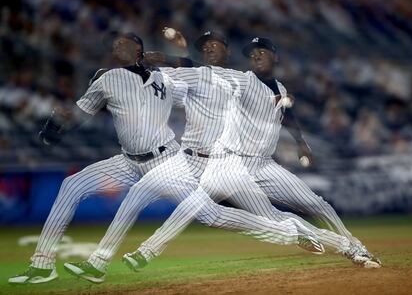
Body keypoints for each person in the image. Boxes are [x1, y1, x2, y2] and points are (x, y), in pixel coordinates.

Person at [62, 31, 325, 283]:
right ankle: (100, 262)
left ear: (228, 51)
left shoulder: (243, 79)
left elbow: (277, 101)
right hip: (189, 159)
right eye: (204, 45)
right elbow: (154, 77)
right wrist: (120, 73)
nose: (209, 47)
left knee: (227, 215)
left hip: (224, 162)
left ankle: (288, 231)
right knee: (140, 193)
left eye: (215, 44)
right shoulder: (194, 75)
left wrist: (293, 124)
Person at [121, 36, 381, 271]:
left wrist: (301, 143)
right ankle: (145, 252)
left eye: (262, 50)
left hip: (265, 165)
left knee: (315, 205)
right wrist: (168, 59)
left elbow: (287, 115)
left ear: (275, 56)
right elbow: (205, 71)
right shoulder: (243, 80)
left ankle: (352, 245)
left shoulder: (279, 88)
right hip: (232, 164)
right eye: (252, 52)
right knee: (195, 205)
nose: (256, 55)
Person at [8, 32, 189, 284]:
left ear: (139, 51)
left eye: (123, 43)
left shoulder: (163, 79)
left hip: (166, 160)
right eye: (115, 45)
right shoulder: (107, 79)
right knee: (71, 185)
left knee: (208, 211)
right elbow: (79, 115)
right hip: (128, 162)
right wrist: (53, 128)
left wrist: (173, 57)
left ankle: (263, 226)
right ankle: (42, 265)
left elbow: (198, 82)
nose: (117, 47)